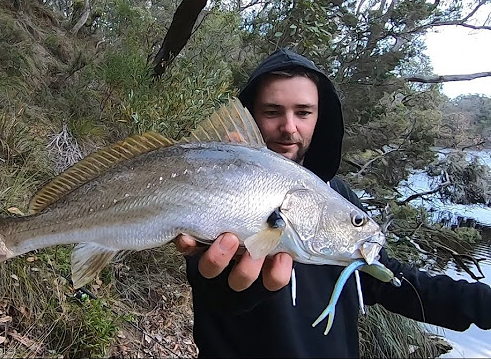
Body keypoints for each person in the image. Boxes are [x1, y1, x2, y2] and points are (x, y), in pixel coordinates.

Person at [175, 48, 491, 358]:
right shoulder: (216, 185)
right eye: (272, 112)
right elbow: (216, 294)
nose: (289, 127)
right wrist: (240, 287)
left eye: (303, 112)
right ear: (252, 115)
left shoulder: (340, 196)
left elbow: (393, 280)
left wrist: (481, 304)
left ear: (319, 117)